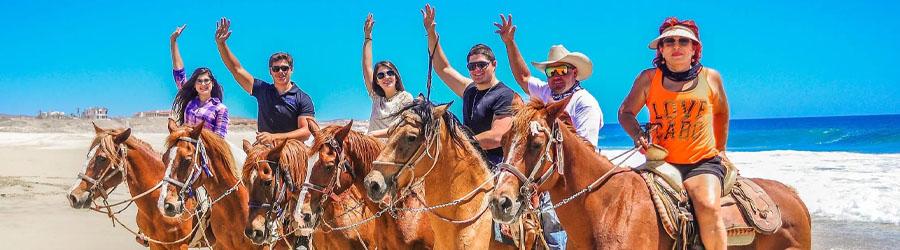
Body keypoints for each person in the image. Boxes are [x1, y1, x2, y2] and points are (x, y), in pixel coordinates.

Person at [618, 17, 730, 250]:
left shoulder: (710, 78)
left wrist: (721, 150)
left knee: (708, 207)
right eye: (669, 42)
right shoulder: (648, 79)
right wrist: (637, 134)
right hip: (660, 163)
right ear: (661, 49)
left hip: (702, 163)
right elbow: (626, 112)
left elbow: (721, 114)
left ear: (694, 49)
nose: (676, 46)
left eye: (683, 41)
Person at [421, 4, 519, 165]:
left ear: (494, 64)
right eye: (472, 66)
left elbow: (497, 136)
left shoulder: (505, 95)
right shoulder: (469, 89)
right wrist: (431, 33)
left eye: (482, 65)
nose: (476, 70)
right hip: (468, 160)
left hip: (495, 166)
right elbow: (443, 68)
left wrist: (458, 142)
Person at [495, 14, 604, 148]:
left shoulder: (584, 102)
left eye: (562, 70)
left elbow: (587, 149)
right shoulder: (545, 91)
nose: (556, 76)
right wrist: (509, 42)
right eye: (551, 72)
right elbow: (523, 77)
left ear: (574, 72)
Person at [214, 17, 316, 145]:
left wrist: (274, 137)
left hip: (292, 149)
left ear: (291, 70)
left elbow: (306, 132)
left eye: (284, 68)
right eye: (276, 68)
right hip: (264, 148)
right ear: (270, 71)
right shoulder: (263, 90)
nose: (280, 72)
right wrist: (221, 45)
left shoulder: (302, 98)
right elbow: (236, 70)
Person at [169, 24, 229, 138]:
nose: (203, 84)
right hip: (187, 147)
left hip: (207, 151)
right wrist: (173, 41)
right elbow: (179, 72)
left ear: (212, 83)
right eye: (199, 81)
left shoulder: (220, 108)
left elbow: (220, 138)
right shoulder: (190, 101)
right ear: (194, 85)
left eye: (206, 81)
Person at [361, 13, 414, 138]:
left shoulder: (406, 98)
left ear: (396, 77)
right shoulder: (376, 98)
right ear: (377, 81)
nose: (386, 77)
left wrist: (374, 135)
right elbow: (366, 66)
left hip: (393, 153)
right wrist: (367, 37)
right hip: (372, 150)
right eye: (380, 75)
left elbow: (403, 127)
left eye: (390, 73)